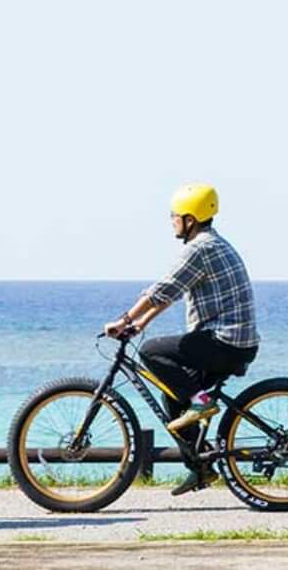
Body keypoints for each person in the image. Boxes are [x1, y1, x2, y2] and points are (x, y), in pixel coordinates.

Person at [103, 182, 259, 497]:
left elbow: (163, 288)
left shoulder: (200, 248)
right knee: (172, 396)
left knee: (151, 352)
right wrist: (141, 321)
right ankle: (200, 467)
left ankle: (201, 402)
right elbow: (172, 294)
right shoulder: (210, 245)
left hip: (225, 341)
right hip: (232, 341)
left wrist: (124, 320)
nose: (171, 220)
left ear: (190, 218)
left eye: (175, 215)